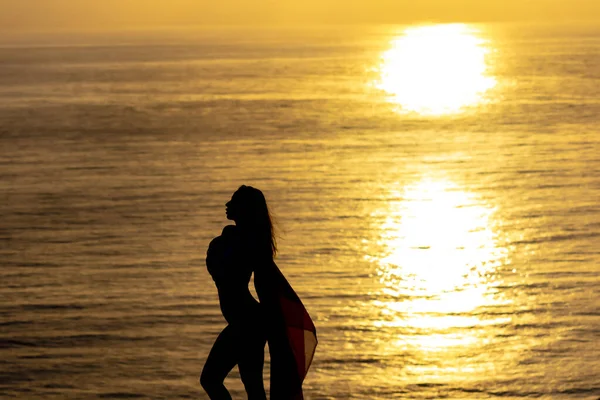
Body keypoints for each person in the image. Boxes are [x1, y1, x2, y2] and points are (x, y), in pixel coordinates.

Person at [201, 185, 317, 400]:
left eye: (234, 201)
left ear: (245, 208)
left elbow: (265, 285)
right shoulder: (240, 239)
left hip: (246, 323)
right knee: (252, 386)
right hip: (249, 322)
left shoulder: (246, 243)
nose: (228, 205)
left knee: (210, 379)